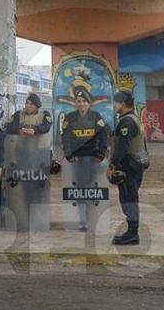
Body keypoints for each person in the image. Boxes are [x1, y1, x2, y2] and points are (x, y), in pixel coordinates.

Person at [61, 88, 109, 231]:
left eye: (84, 101)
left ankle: (92, 217)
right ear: (76, 103)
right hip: (77, 160)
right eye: (79, 101)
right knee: (79, 189)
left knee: (92, 189)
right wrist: (69, 154)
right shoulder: (70, 118)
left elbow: (103, 136)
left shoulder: (96, 117)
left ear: (89, 104)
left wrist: (101, 153)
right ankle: (82, 220)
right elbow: (66, 137)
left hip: (93, 160)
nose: (81, 104)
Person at [109, 89, 147, 246]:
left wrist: (112, 166)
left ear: (123, 104)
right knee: (129, 197)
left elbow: (122, 148)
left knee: (128, 198)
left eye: (116, 102)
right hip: (135, 164)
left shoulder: (127, 123)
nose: (114, 105)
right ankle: (132, 231)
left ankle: (132, 234)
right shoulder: (133, 118)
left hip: (129, 167)